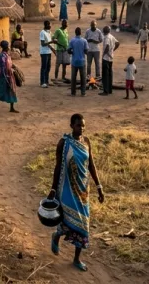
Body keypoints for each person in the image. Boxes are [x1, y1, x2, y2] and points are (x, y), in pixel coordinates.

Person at [49, 113, 104, 272]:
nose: (82, 128)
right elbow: (58, 167)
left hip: (83, 190)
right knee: (67, 218)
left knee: (83, 224)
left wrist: (99, 187)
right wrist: (53, 189)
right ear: (71, 126)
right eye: (79, 125)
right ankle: (57, 236)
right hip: (67, 188)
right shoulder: (63, 143)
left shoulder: (86, 142)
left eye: (83, 126)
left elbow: (91, 165)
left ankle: (76, 259)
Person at [0, 40, 19, 113]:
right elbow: (3, 67)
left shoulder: (7, 54)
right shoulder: (2, 55)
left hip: (9, 74)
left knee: (12, 90)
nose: (9, 47)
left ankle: (12, 108)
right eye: (8, 46)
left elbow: (9, 64)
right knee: (1, 90)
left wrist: (14, 67)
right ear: (5, 47)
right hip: (4, 75)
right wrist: (6, 76)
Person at [100, 26, 119, 96]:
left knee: (105, 75)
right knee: (110, 74)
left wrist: (104, 54)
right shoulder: (111, 36)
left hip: (106, 58)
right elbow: (117, 43)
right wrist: (113, 50)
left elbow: (107, 46)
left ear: (104, 31)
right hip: (111, 58)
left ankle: (105, 91)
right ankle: (110, 89)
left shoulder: (106, 37)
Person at [69, 27, 88, 97]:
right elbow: (86, 51)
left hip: (74, 61)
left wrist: (73, 51)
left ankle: (73, 92)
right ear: (80, 33)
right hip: (82, 62)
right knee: (83, 78)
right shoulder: (84, 41)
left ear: (75, 33)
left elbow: (69, 51)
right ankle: (83, 92)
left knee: (73, 78)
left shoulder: (72, 41)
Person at [53, 19, 71, 83]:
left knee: (64, 65)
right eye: (65, 23)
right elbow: (53, 39)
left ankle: (63, 77)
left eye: (66, 23)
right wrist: (59, 44)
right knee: (58, 64)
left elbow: (67, 40)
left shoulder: (66, 30)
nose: (66, 25)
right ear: (62, 24)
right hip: (60, 50)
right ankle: (56, 78)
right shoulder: (58, 31)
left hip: (65, 50)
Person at [39, 21, 55, 88]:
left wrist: (53, 50)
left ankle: (46, 81)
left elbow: (49, 44)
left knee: (48, 67)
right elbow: (43, 44)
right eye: (49, 24)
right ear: (46, 25)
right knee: (44, 67)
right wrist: (51, 41)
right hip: (44, 52)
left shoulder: (49, 32)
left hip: (48, 52)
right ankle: (42, 82)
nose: (50, 26)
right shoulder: (42, 32)